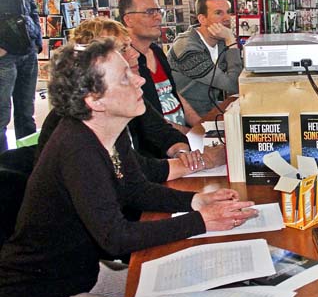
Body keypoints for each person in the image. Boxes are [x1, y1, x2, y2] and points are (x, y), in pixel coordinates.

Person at [0, 39, 257, 297]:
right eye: (124, 77)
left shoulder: (110, 128)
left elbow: (135, 189)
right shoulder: (77, 149)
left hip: (81, 274)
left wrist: (196, 202)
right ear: (94, 100)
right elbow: (116, 237)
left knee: (191, 294)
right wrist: (202, 221)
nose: (139, 79)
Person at [37, 17, 225, 181]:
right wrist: (202, 161)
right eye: (124, 49)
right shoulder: (75, 124)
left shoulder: (125, 96)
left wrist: (183, 153)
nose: (134, 54)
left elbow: (162, 131)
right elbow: (132, 174)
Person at [119, 0, 201, 132]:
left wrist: (201, 127)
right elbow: (147, 122)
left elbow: (173, 94)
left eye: (158, 11)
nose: (158, 17)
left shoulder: (156, 51)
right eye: (149, 12)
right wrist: (190, 134)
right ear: (128, 19)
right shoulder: (126, 62)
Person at [0, 0, 41, 152]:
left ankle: (30, 164)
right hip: (4, 55)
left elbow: (30, 4)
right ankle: (4, 173)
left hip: (26, 48)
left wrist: (37, 39)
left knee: (27, 114)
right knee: (2, 118)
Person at [168, 0, 243, 117]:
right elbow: (234, 85)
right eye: (219, 13)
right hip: (188, 118)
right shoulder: (187, 48)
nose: (227, 18)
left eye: (228, 12)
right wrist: (231, 41)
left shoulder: (219, 40)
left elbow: (241, 77)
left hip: (210, 109)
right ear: (202, 19)